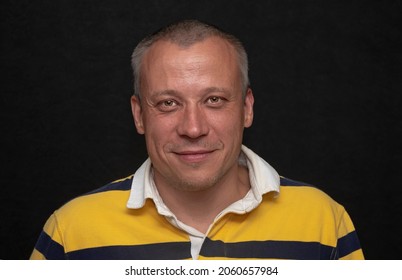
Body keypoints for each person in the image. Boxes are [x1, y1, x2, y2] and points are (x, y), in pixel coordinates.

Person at [30, 19, 364, 260]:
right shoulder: (70, 231)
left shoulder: (323, 221)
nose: (193, 128)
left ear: (246, 109)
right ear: (139, 115)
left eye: (214, 100)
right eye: (168, 103)